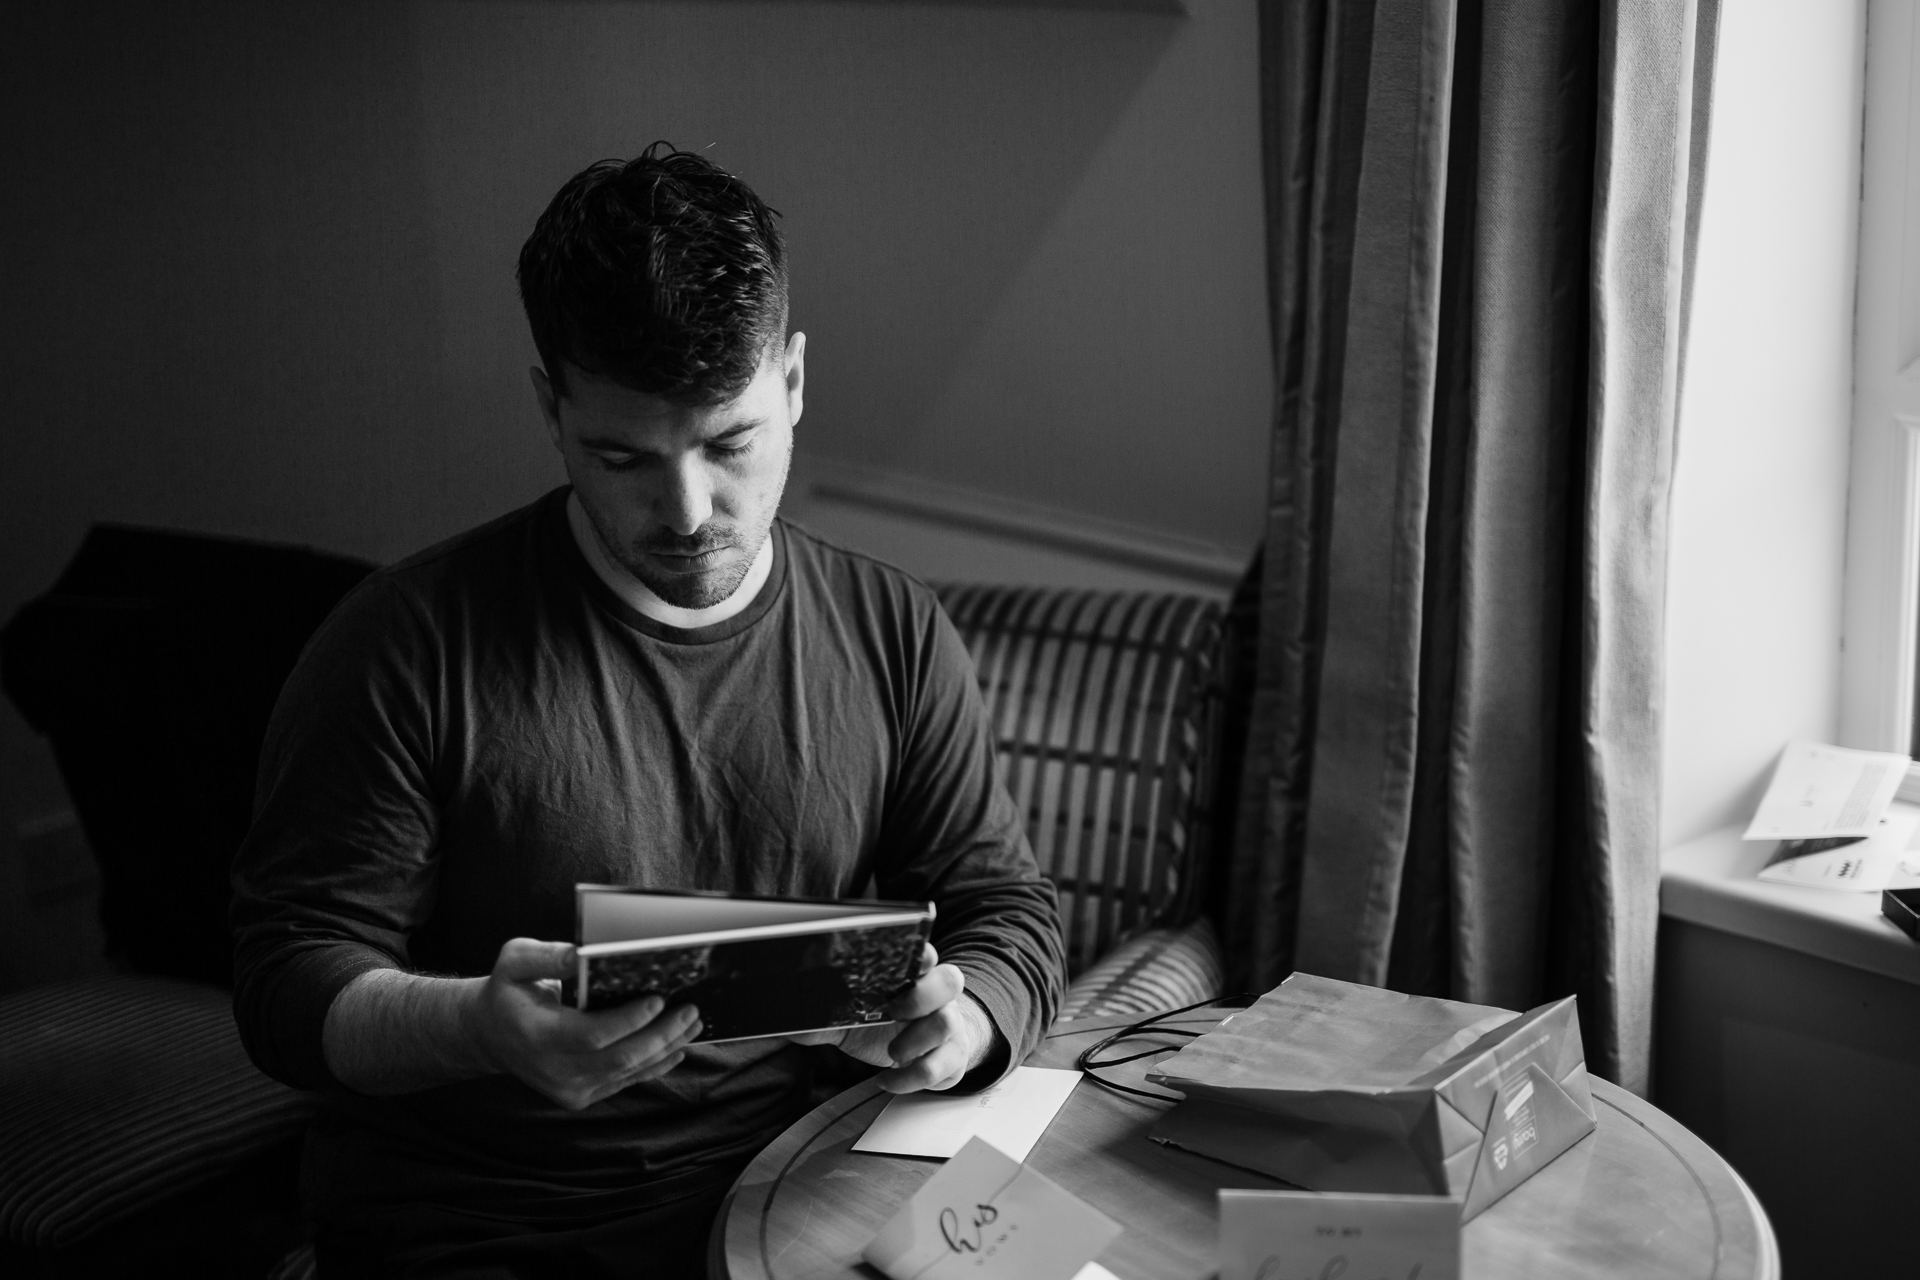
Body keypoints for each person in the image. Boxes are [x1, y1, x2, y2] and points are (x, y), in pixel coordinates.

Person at [229, 143, 1064, 1279]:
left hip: (802, 1181)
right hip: (492, 1227)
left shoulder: (894, 628)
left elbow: (1006, 902)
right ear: (550, 404)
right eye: (620, 456)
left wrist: (958, 1025)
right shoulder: (403, 642)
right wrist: (476, 1024)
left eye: (730, 443)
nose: (687, 512)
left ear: (797, 382)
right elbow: (287, 983)